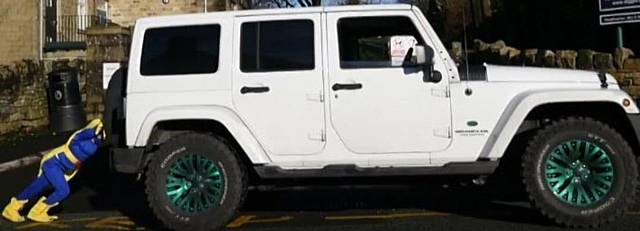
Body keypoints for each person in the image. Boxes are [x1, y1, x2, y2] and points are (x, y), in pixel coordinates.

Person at [2, 119, 105, 223]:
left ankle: (12, 209)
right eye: (100, 133)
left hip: (60, 168)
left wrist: (98, 135)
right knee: (63, 190)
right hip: (54, 163)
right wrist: (95, 130)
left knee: (37, 187)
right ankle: (36, 211)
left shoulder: (94, 145)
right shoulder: (80, 137)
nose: (101, 136)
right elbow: (84, 133)